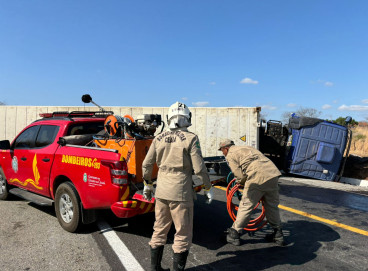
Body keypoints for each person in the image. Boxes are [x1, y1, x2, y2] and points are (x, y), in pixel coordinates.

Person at [142, 102, 214, 271]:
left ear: (169, 118)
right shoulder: (191, 138)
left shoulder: (158, 138)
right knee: (182, 234)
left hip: (161, 190)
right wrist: (208, 187)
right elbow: (199, 168)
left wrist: (147, 184)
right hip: (180, 191)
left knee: (159, 229)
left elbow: (146, 164)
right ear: (187, 118)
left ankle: (154, 268)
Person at [218, 139, 285, 246]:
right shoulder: (248, 147)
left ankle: (234, 234)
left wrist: (241, 183)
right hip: (272, 174)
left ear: (226, 148)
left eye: (222, 151)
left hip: (256, 176)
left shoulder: (230, 154)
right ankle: (278, 234)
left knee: (246, 205)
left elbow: (238, 175)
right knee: (272, 206)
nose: (223, 153)